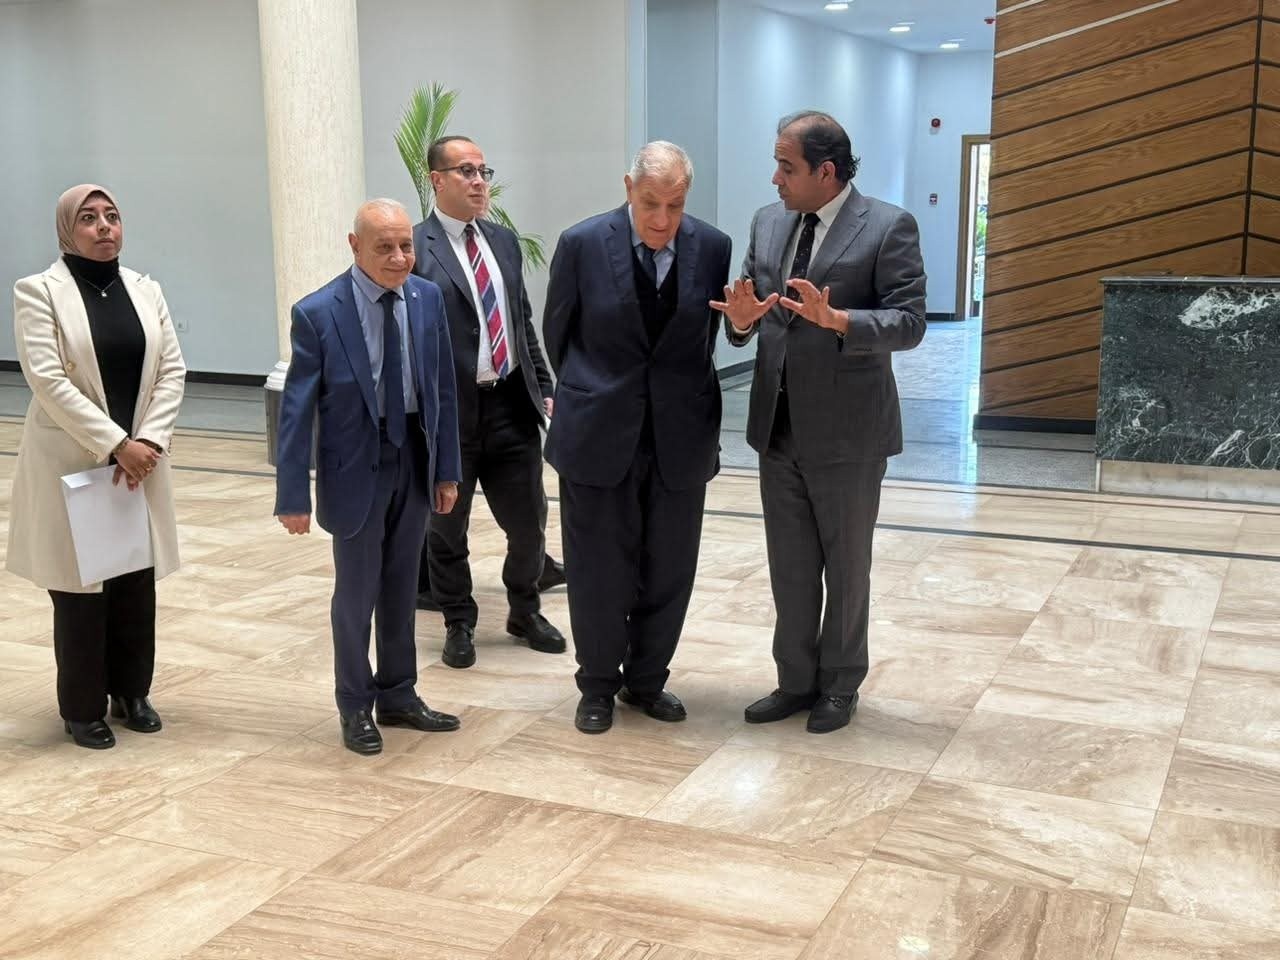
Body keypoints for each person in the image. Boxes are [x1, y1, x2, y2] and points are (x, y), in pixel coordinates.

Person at [714, 110, 926, 734]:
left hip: (849, 432)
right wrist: (740, 322)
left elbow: (910, 322)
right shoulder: (768, 221)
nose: (775, 179)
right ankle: (795, 681)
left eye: (786, 167)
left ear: (825, 171)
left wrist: (841, 322)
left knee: (846, 566)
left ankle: (839, 684)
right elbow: (751, 312)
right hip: (777, 426)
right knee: (791, 566)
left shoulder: (887, 226)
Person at [543, 141, 732, 734]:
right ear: (628, 188)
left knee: (670, 567)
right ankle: (598, 684)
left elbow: (710, 337)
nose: (661, 219)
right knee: (598, 568)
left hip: (680, 435)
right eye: (650, 203)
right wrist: (596, 395)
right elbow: (558, 335)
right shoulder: (581, 244)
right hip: (599, 432)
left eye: (675, 205)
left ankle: (647, 680)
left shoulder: (714, 247)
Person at [274, 198, 463, 755]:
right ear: (355, 245)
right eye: (385, 247)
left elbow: (442, 389)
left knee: (402, 588)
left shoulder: (426, 298)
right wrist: (292, 494)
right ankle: (355, 704)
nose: (399, 258)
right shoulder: (318, 312)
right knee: (357, 595)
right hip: (356, 467)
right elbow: (296, 411)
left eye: (406, 246)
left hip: (414, 458)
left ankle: (399, 694)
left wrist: (446, 470)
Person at [8, 184, 186, 749]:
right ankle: (82, 709)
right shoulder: (39, 291)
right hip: (76, 460)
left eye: (112, 215)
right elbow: (47, 380)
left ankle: (132, 693)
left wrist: (148, 441)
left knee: (134, 580)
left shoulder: (145, 289)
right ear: (68, 229)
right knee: (82, 590)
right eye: (88, 218)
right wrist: (116, 444)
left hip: (139, 463)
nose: (104, 226)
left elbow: (172, 370)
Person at [410, 135, 566, 667]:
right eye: (466, 171)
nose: (479, 182)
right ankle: (458, 621)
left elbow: (520, 321)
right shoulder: (416, 248)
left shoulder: (502, 241)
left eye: (484, 171)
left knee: (529, 523)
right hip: (449, 416)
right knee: (446, 529)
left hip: (510, 407)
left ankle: (525, 610)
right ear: (437, 180)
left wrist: (544, 384)